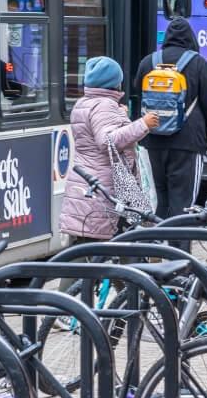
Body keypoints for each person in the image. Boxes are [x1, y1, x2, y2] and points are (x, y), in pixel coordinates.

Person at [57, 57, 158, 291]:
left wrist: (120, 117)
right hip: (106, 189)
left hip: (87, 187)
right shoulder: (104, 106)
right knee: (116, 249)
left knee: (85, 252)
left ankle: (67, 308)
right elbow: (108, 140)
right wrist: (143, 124)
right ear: (115, 82)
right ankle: (129, 304)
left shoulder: (85, 103)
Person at [132, 17, 207, 220]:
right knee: (183, 204)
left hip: (153, 140)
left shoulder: (148, 62)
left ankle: (156, 248)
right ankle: (178, 250)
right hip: (188, 144)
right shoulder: (199, 64)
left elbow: (138, 94)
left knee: (158, 199)